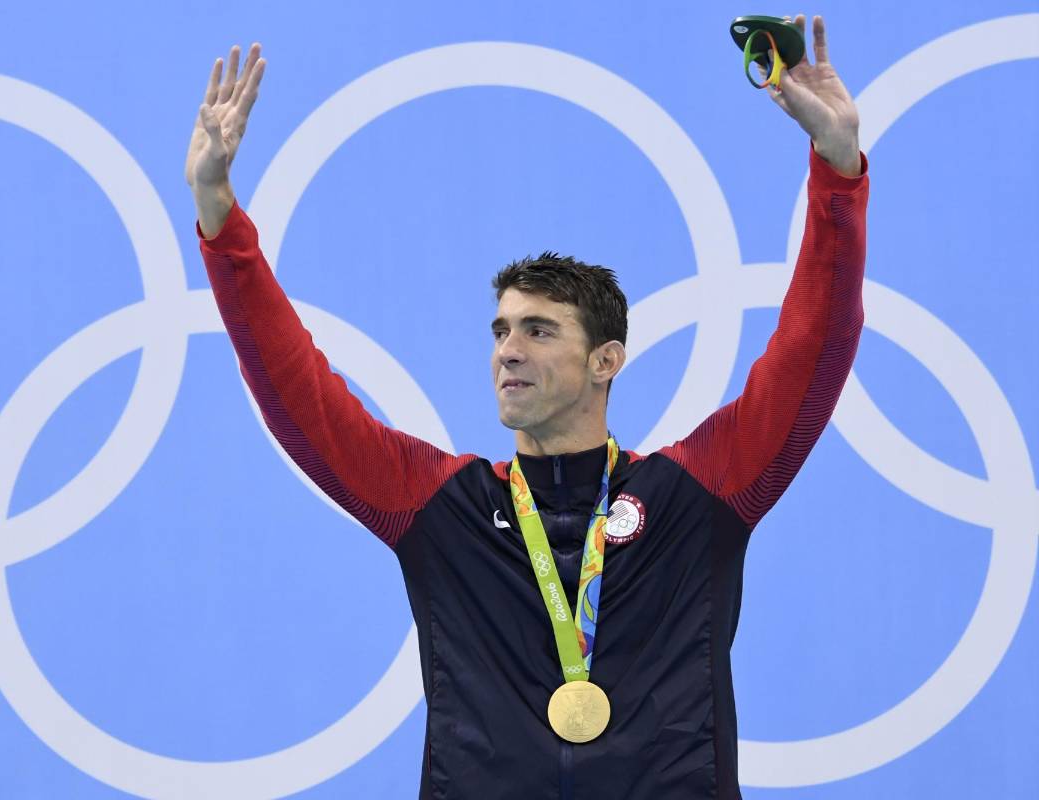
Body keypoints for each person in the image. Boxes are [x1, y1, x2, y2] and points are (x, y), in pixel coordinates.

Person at [185, 14, 867, 799]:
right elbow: (297, 393)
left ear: (606, 361)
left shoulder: (698, 493)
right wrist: (217, 214)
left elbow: (814, 349)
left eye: (539, 331)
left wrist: (837, 170)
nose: (508, 350)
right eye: (502, 330)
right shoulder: (442, 508)